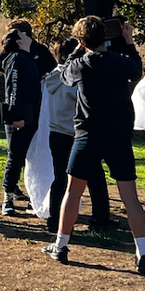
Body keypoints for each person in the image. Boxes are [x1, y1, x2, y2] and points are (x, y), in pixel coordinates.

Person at [42, 16, 145, 274]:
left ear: (81, 41)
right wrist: (127, 42)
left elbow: (66, 75)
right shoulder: (120, 62)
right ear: (105, 37)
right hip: (118, 135)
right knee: (130, 198)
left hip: (87, 134)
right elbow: (136, 68)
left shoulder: (80, 65)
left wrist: (78, 50)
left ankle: (61, 245)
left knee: (73, 192)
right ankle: (143, 253)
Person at [43, 38, 113, 234]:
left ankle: (54, 219)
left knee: (60, 178)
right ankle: (100, 218)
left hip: (55, 132)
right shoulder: (75, 76)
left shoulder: (52, 77)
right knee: (95, 176)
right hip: (76, 133)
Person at [0, 28, 43, 215]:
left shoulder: (27, 58)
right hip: (20, 117)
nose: (28, 35)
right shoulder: (16, 58)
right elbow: (13, 88)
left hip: (30, 115)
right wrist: (15, 116)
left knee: (29, 157)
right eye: (23, 35)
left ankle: (34, 197)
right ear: (18, 42)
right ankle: (7, 198)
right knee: (15, 156)